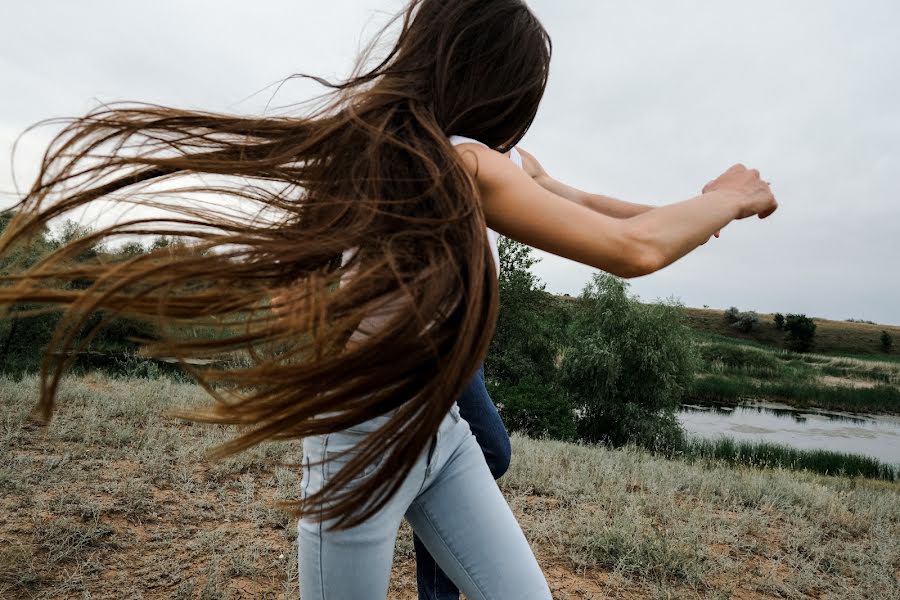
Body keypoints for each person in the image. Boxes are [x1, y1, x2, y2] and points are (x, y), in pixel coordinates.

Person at [0, 0, 777, 598]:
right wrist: (735, 200)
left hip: (439, 435)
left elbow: (594, 208)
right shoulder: (462, 160)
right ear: (498, 85)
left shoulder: (437, 155)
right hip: (359, 447)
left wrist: (699, 206)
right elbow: (632, 252)